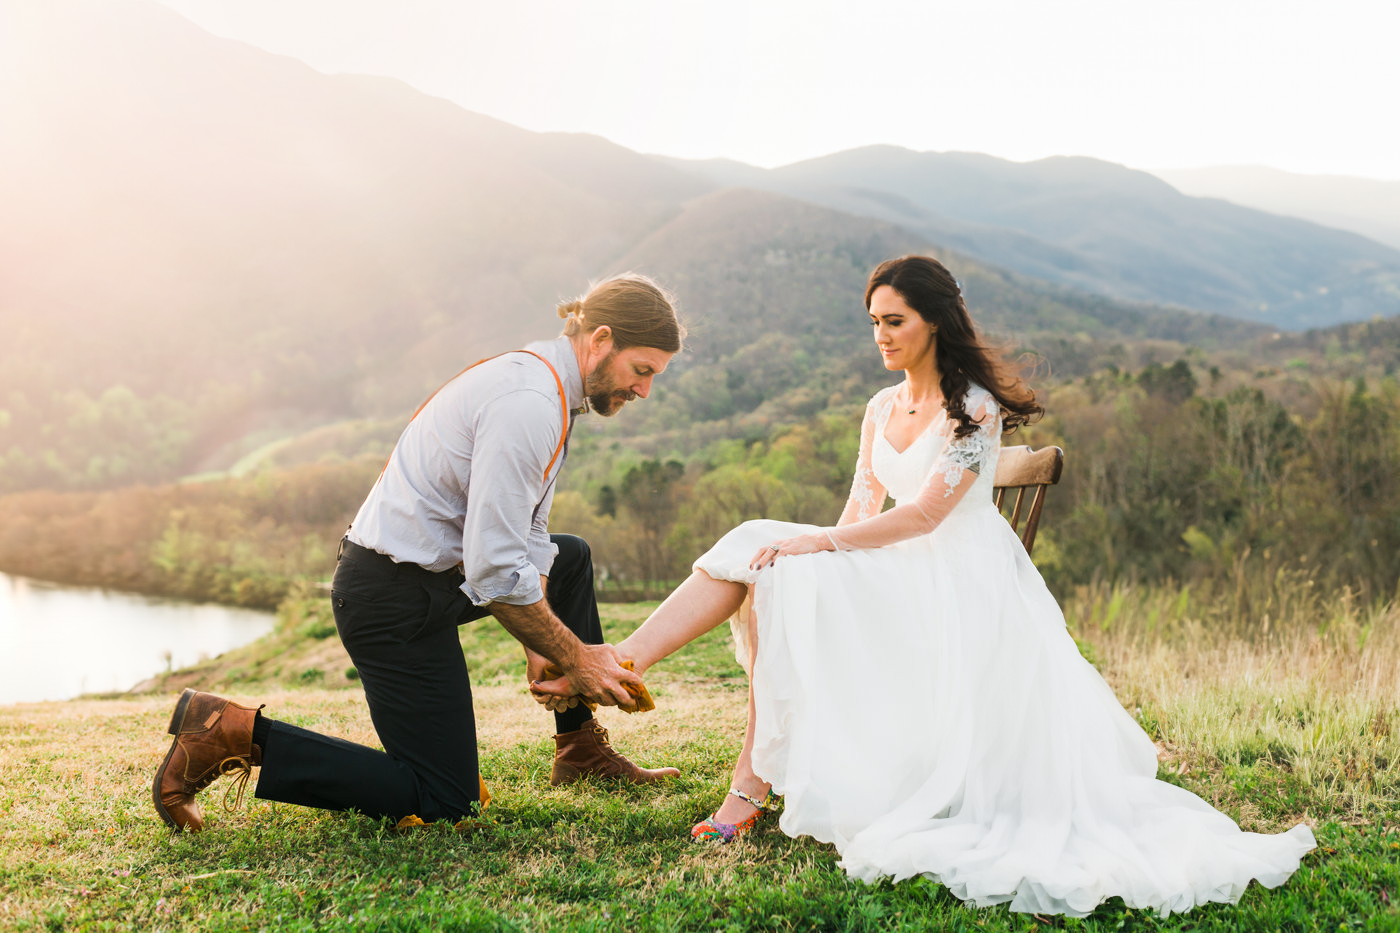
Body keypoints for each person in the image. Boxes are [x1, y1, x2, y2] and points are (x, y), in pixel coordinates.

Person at [534, 256, 1315, 917]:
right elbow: (859, 507)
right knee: (767, 560)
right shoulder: (882, 406)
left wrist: (823, 543)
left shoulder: (972, 407)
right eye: (873, 321)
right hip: (889, 571)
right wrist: (810, 546)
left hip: (952, 587)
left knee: (778, 560)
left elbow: (926, 518)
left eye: (895, 321)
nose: (880, 335)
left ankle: (689, 729)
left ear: (933, 322)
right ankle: (635, 675)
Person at [153, 273, 684, 833]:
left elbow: (530, 531)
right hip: (389, 603)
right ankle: (228, 733)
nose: (644, 390)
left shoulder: (549, 385)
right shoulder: (528, 403)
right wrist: (576, 656)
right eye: (641, 370)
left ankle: (579, 752)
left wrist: (542, 641)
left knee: (566, 556)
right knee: (446, 802)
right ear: (600, 340)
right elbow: (495, 571)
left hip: (432, 584)